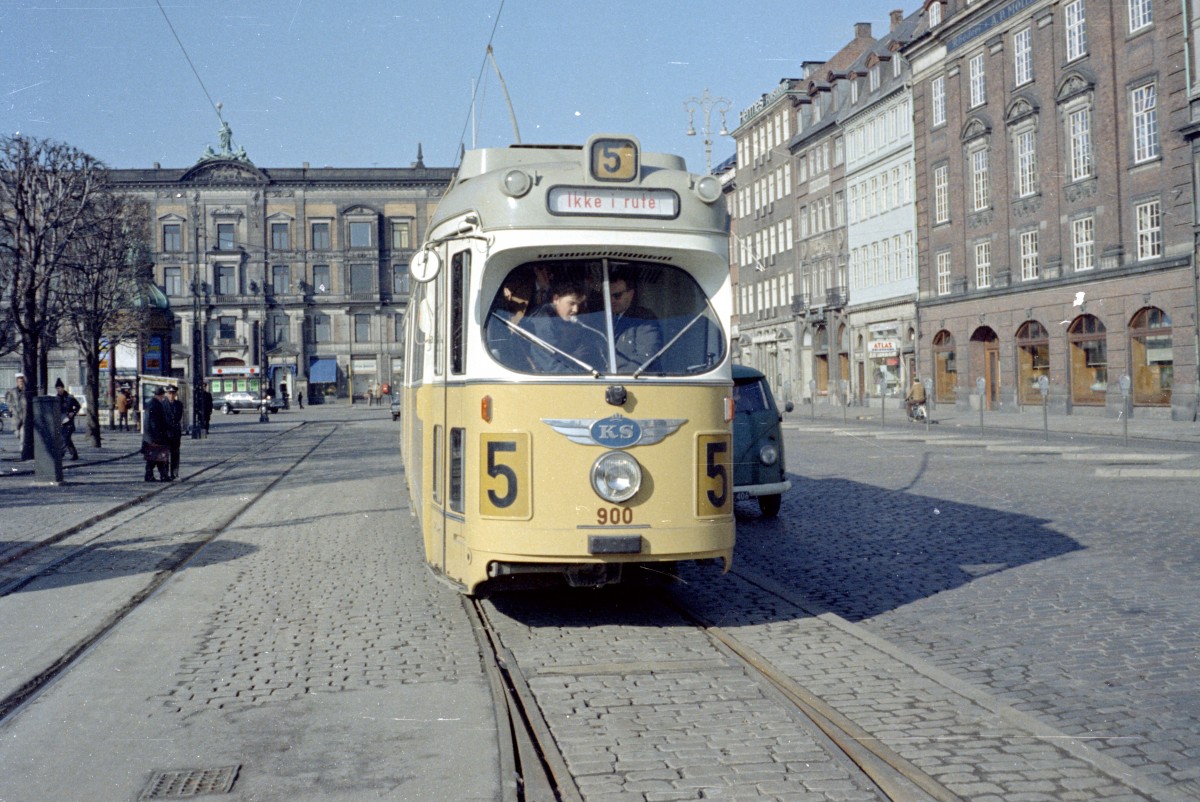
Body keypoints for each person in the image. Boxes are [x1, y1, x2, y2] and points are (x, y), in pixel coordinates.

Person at [521, 279, 606, 373]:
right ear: (556, 299)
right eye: (571, 303)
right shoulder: (543, 321)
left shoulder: (565, 318)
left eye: (578, 304)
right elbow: (552, 366)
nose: (576, 310)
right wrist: (583, 375)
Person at [608, 272, 662, 372]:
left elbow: (647, 357)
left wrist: (619, 378)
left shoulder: (644, 319)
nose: (611, 300)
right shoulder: (605, 319)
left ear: (630, 294)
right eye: (607, 296)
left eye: (617, 295)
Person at [142, 386, 171, 482]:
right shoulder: (155, 405)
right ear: (161, 395)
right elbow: (153, 422)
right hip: (155, 436)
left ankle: (159, 475)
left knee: (156, 457)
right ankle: (158, 475)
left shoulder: (151, 403)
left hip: (151, 436)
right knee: (157, 457)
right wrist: (158, 436)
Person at [55, 378, 81, 460]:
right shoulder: (56, 399)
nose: (58, 390)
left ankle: (60, 454)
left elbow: (78, 406)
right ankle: (74, 454)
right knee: (67, 439)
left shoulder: (70, 397)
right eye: (57, 388)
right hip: (61, 421)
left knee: (65, 439)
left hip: (69, 421)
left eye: (59, 388)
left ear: (63, 388)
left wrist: (73, 412)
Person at [164, 385, 185, 478]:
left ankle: (174, 473)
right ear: (166, 394)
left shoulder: (179, 404)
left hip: (176, 433)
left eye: (173, 393)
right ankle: (165, 473)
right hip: (166, 433)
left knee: (175, 453)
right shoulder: (162, 404)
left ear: (176, 394)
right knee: (165, 454)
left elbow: (179, 417)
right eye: (169, 393)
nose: (171, 395)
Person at [5, 373, 27, 452]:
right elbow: (8, 400)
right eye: (19, 381)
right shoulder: (13, 391)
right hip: (16, 416)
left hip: (24, 416)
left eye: (22, 381)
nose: (20, 383)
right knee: (17, 433)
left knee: (23, 434)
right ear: (17, 382)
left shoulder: (26, 391)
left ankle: (22, 449)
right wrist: (10, 408)